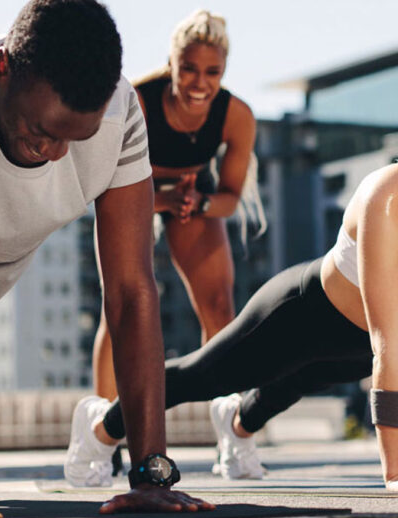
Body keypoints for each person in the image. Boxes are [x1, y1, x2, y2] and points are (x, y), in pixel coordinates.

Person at [65, 100, 398, 492]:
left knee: (287, 390)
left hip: (358, 351)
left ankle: (236, 424)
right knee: (205, 375)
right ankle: (99, 426)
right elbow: (390, 340)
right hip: (303, 313)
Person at [0, 0, 212, 518]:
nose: (56, 154)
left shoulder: (119, 117)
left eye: (73, 138)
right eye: (40, 131)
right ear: (1, 69)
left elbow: (132, 292)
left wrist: (151, 475)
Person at [92, 9, 261, 401]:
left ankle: (228, 426)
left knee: (220, 306)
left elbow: (230, 200)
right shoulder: (137, 100)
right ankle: (102, 432)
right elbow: (104, 180)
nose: (199, 83)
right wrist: (163, 197)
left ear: (223, 71)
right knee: (119, 307)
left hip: (193, 193)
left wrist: (199, 203)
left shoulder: (237, 116)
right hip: (129, 187)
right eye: (188, 69)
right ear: (171, 63)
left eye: (212, 72)